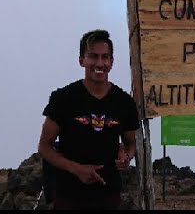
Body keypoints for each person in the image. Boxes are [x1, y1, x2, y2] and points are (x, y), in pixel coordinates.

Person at [38, 29, 140, 210]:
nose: (99, 63)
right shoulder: (63, 99)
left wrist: (126, 157)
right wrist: (76, 169)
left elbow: (131, 144)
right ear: (81, 60)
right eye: (93, 56)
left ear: (112, 62)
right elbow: (45, 148)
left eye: (105, 57)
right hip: (69, 197)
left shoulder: (124, 102)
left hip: (109, 197)